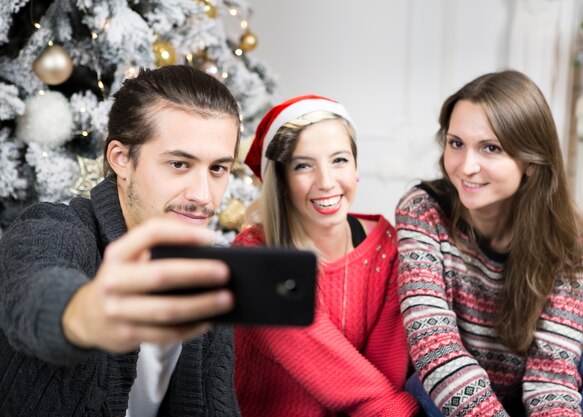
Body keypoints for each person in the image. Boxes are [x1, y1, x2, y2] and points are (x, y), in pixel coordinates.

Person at [0, 65, 243, 416]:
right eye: (179, 164)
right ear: (121, 159)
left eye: (218, 169)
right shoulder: (54, 228)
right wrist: (86, 314)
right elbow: (34, 291)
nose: (203, 196)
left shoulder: (210, 272)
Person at [396, 69, 583, 417]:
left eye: (491, 148)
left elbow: (552, 375)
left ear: (530, 162)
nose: (467, 166)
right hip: (447, 395)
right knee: (429, 385)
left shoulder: (567, 239)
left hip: (527, 402)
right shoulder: (423, 210)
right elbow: (434, 347)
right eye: (456, 143)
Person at [233, 95, 422, 416]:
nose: (326, 182)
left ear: (356, 167)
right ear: (280, 182)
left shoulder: (385, 247)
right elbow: (344, 383)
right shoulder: (255, 259)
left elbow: (382, 380)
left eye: (339, 160)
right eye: (303, 165)